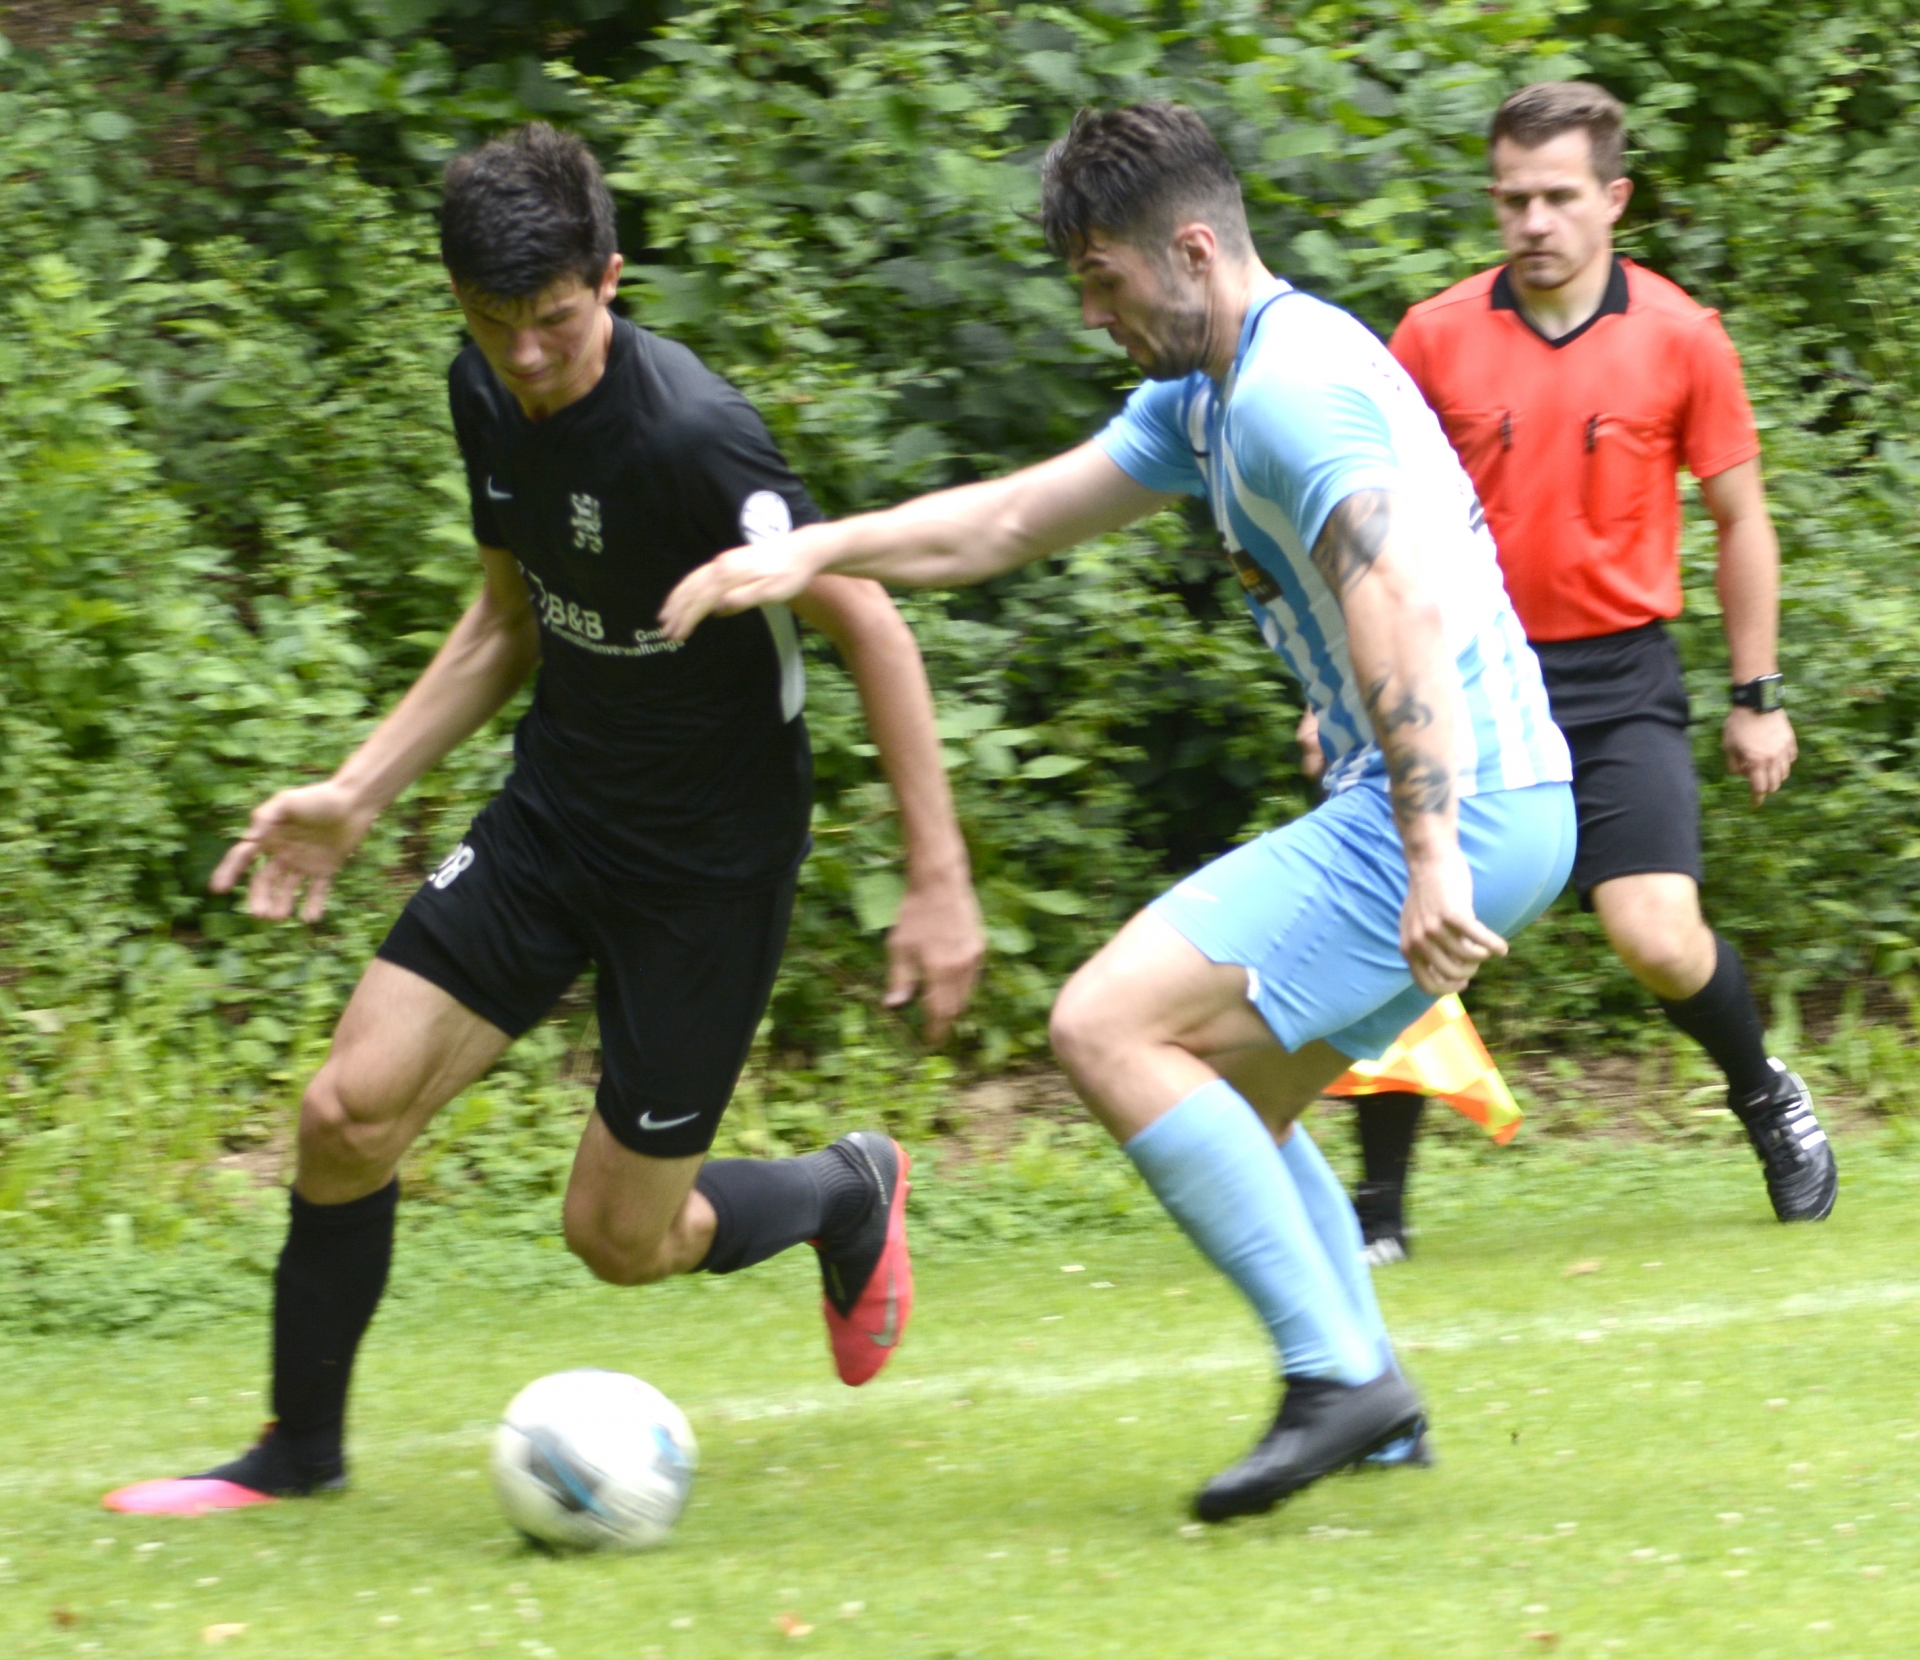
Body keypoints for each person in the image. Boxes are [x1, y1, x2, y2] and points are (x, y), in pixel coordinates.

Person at [660, 102, 1577, 1520]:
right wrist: (810, 554)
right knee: (1234, 1100)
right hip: (1490, 798)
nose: (1093, 314)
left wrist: (1430, 850)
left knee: (1103, 1024)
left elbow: (1392, 588)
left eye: (1103, 279)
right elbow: (1009, 522)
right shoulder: (1212, 394)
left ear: (1192, 251)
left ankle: (1337, 1380)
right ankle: (1376, 1411)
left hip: (1470, 805)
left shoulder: (1285, 393)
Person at [104, 123, 984, 1518]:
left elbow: (869, 621)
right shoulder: (487, 391)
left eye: (555, 320)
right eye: (491, 319)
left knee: (619, 1239)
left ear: (611, 279)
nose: (524, 354)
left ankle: (845, 1193)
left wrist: (938, 875)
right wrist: (357, 792)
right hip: (558, 814)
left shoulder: (692, 436)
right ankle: (296, 1456)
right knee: (346, 1113)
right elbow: (505, 623)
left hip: (706, 865)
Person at [1380, 80, 1836, 1225]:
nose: (1533, 221)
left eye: (1559, 197)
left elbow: (1742, 518)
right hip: (1463, 673)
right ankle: (1376, 1207)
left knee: (1656, 933)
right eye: (1512, 199)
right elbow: (1369, 529)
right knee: (1410, 924)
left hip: (1621, 679)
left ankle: (1764, 1091)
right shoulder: (1431, 338)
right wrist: (1349, 689)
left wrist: (1757, 693)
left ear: (1614, 198)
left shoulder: (1682, 338)